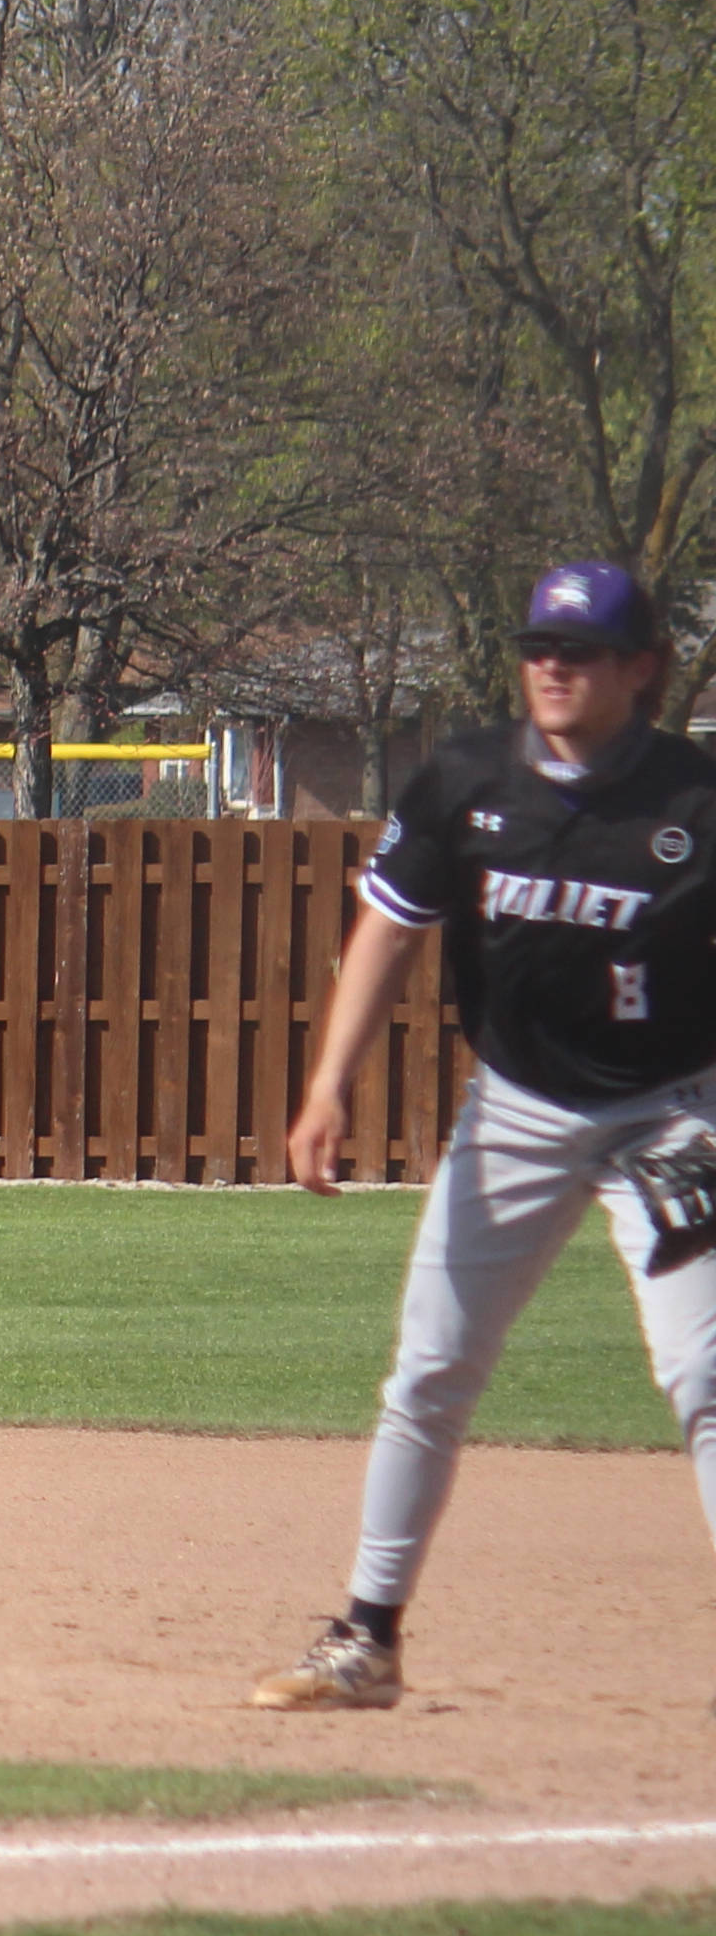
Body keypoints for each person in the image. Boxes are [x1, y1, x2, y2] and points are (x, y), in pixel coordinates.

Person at [260, 558, 716, 1709]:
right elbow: (388, 932)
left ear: (640, 670)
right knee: (429, 1369)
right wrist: (326, 1088)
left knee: (706, 1372)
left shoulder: (694, 803)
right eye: (539, 647)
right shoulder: (465, 780)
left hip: (671, 1116)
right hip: (515, 1110)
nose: (553, 666)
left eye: (583, 650)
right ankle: (367, 1641)